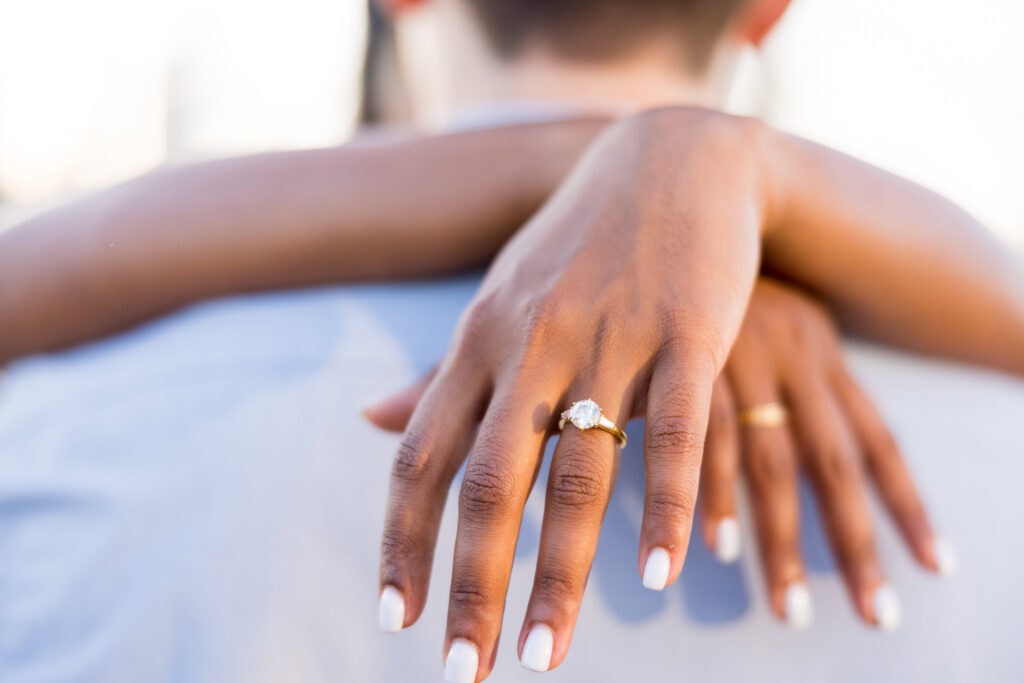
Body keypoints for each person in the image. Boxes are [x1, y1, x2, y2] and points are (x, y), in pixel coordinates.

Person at [0, 1, 1021, 682]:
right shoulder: (995, 447)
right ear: (769, 9)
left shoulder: (52, 424)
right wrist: (693, 166)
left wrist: (653, 170)